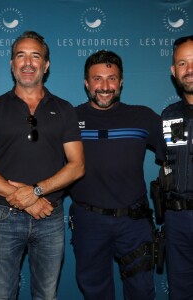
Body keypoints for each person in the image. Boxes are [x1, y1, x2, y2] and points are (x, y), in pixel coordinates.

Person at [0, 31, 85, 299]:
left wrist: (35, 192)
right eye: (20, 55)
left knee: (46, 295)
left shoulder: (65, 109)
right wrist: (28, 199)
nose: (28, 62)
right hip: (3, 217)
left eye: (36, 56)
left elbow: (77, 165)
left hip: (50, 216)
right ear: (11, 64)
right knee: (2, 294)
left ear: (46, 65)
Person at [69, 50, 165, 300]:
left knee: (142, 292)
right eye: (97, 79)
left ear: (121, 82)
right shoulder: (70, 119)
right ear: (86, 83)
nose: (105, 86)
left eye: (112, 79)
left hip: (133, 223)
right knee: (95, 292)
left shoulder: (142, 116)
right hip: (89, 222)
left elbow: (177, 149)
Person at [160, 35, 193, 300]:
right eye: (182, 63)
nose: (189, 70)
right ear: (173, 71)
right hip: (177, 220)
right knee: (179, 291)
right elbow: (169, 160)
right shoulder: (170, 115)